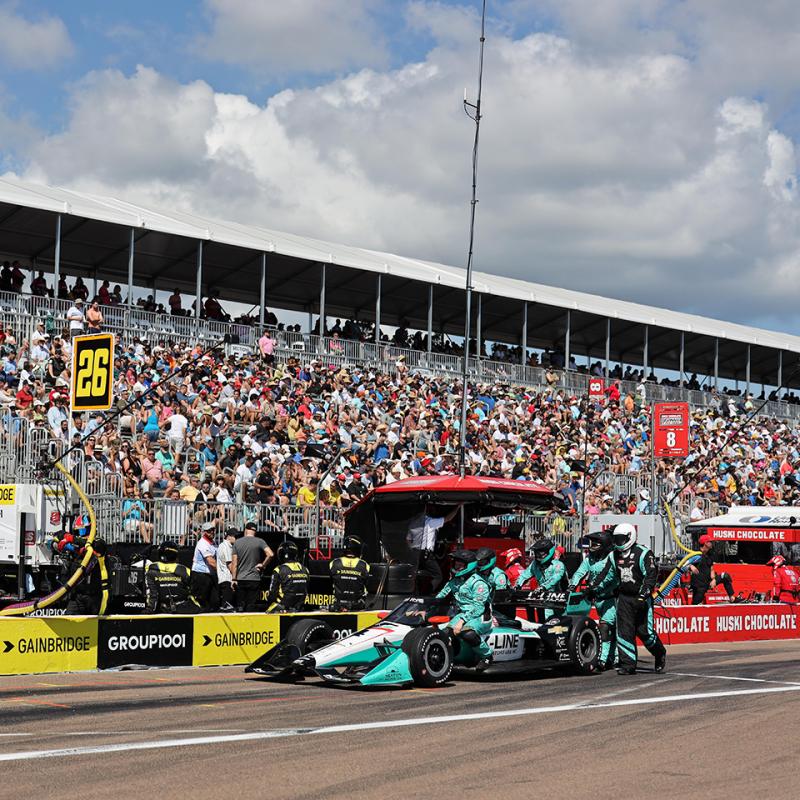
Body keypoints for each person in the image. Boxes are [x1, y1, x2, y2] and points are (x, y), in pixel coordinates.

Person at [612, 523, 666, 675]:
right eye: (616, 539)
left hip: (641, 599)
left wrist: (643, 595)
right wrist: (593, 589)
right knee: (624, 631)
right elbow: (607, 573)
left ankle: (659, 652)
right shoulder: (615, 554)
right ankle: (628, 665)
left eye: (621, 539)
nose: (618, 542)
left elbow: (651, 576)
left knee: (645, 633)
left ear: (630, 537)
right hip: (624, 598)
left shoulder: (644, 553)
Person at [568, 530, 619, 670]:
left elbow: (610, 578)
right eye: (592, 543)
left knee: (605, 627)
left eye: (596, 543)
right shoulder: (589, 558)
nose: (592, 546)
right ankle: (613, 658)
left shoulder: (612, 557)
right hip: (596, 599)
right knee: (611, 631)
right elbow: (580, 572)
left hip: (611, 599)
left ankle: (602, 660)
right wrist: (573, 585)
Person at [436, 549, 493, 670]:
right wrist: (425, 609)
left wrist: (462, 621)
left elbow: (478, 608)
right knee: (445, 634)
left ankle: (487, 656)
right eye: (456, 563)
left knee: (468, 634)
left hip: (481, 616)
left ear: (469, 565)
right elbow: (439, 597)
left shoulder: (478, 583)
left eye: (460, 565)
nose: (457, 566)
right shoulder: (454, 581)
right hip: (463, 614)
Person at [407, 504, 460, 592]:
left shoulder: (413, 523)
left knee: (413, 575)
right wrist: (458, 507)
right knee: (438, 576)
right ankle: (427, 593)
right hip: (426, 554)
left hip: (414, 554)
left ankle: (413, 593)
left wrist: (412, 550)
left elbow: (408, 539)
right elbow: (448, 519)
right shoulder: (430, 522)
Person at [145, 542, 201, 614]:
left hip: (160, 608)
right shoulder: (185, 570)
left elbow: (152, 593)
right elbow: (193, 590)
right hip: (183, 608)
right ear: (176, 555)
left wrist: (150, 609)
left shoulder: (150, 568)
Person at [231, 521, 274, 612]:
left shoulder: (237, 542)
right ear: (255, 531)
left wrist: (234, 579)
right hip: (254, 578)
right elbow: (270, 554)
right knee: (251, 606)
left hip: (241, 578)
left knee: (240, 606)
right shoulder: (260, 541)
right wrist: (263, 565)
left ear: (246, 530)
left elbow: (234, 563)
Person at [64, 537, 108, 615]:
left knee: (96, 622)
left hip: (95, 597)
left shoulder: (102, 561)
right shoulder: (80, 556)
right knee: (69, 620)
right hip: (78, 596)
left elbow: (101, 548)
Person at [688, 535, 735, 604]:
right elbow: (684, 563)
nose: (712, 543)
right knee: (695, 604)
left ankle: (732, 598)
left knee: (725, 576)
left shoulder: (710, 554)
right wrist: (691, 566)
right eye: (710, 542)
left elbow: (711, 568)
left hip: (708, 582)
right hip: (699, 585)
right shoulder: (696, 554)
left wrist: (714, 580)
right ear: (705, 543)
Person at [265, 540, 309, 612]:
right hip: (300, 606)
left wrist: (269, 600)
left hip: (283, 606)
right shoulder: (305, 569)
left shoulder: (278, 570)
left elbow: (272, 593)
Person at [329, 535, 370, 610]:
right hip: (357, 607)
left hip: (338, 606)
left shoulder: (334, 563)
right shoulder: (365, 565)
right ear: (358, 549)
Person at [190, 522, 218, 611]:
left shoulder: (213, 543)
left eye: (213, 530)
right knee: (202, 601)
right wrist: (222, 571)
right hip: (200, 575)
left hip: (209, 574)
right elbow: (211, 561)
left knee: (213, 601)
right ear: (204, 532)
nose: (212, 532)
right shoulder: (202, 543)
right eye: (209, 531)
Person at [216, 527, 238, 612]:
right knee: (227, 608)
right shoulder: (225, 546)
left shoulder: (226, 546)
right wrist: (234, 578)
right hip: (227, 580)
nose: (237, 538)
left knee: (228, 607)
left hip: (226, 580)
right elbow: (230, 565)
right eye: (235, 536)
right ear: (228, 536)